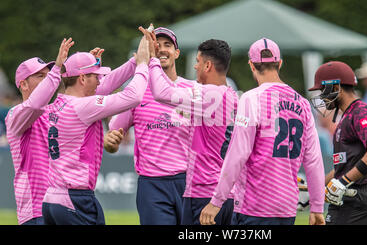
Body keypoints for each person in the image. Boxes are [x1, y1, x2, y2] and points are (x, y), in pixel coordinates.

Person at [200, 38, 325, 225]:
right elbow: (313, 159)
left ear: (251, 65)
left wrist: (217, 200)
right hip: (287, 208)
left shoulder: (252, 99)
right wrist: (317, 206)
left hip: (254, 207)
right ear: (280, 63)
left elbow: (238, 154)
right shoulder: (303, 103)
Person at [41, 27, 151, 225]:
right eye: (96, 75)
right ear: (82, 78)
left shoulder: (58, 104)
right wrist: (143, 65)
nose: (101, 79)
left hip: (52, 199)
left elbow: (105, 87)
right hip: (75, 200)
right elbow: (133, 96)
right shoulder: (83, 106)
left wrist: (135, 61)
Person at [104, 26, 196, 225]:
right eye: (156, 45)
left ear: (177, 53)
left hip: (189, 182)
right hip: (152, 185)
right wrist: (110, 141)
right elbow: (113, 139)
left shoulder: (193, 90)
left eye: (167, 45)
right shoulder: (136, 92)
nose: (161, 49)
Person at [145, 32, 238, 225]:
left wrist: (153, 59)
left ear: (208, 65)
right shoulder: (231, 95)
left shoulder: (207, 94)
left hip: (204, 194)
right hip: (226, 195)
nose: (195, 66)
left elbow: (162, 93)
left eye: (197, 61)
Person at [5, 38, 74, 225]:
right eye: (40, 76)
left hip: (59, 206)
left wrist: (88, 70)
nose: (48, 80)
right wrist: (57, 69)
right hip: (36, 209)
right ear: (23, 85)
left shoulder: (53, 110)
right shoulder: (15, 115)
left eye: (48, 75)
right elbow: (35, 103)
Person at [309, 61, 367, 225]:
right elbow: (342, 169)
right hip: (352, 194)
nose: (322, 96)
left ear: (335, 88)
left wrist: (343, 182)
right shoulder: (348, 115)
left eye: (323, 90)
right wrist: (313, 190)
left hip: (359, 194)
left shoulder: (360, 111)